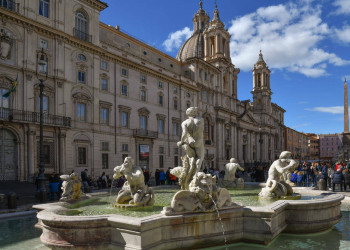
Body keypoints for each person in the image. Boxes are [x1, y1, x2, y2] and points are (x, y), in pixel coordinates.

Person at [177, 107, 205, 174]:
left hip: (190, 141)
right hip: (199, 141)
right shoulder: (201, 120)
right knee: (200, 157)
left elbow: (184, 133)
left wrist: (181, 142)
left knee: (191, 157)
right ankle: (196, 174)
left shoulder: (184, 122)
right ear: (194, 112)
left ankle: (190, 171)